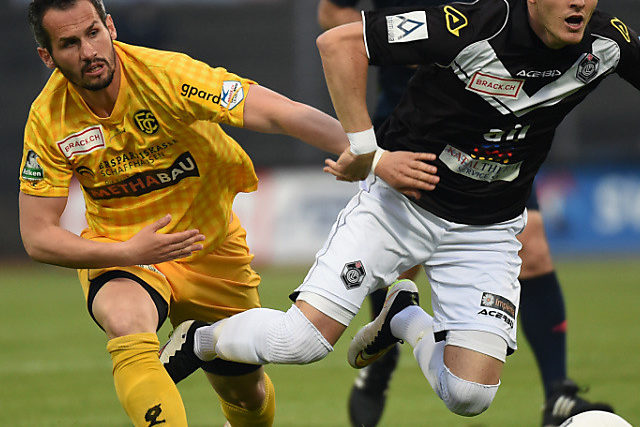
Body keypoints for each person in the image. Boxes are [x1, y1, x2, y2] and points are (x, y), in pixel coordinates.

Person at [163, 0, 638, 422]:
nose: (580, 4)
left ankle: (402, 317)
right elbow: (338, 43)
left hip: (487, 228)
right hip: (401, 208)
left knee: (470, 396)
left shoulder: (606, 42)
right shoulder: (470, 25)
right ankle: (200, 340)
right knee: (300, 342)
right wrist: (369, 152)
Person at [18, 1, 433, 426]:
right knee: (126, 322)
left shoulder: (166, 75)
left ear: (110, 26)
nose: (88, 52)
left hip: (211, 249)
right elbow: (37, 237)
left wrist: (376, 157)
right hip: (124, 249)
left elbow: (279, 112)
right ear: (47, 56)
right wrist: (127, 252)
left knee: (248, 397)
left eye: (92, 33)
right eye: (69, 43)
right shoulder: (49, 120)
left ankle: (205, 348)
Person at [316, 0, 614, 426]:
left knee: (532, 246)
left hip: (496, 125)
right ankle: (386, 351)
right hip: (416, 121)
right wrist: (413, 41)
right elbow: (333, 17)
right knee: (403, 259)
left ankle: (557, 394)